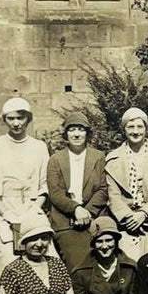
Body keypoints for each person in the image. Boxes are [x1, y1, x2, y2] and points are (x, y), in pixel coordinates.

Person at [0, 97, 50, 270]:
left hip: (31, 208)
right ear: (4, 119)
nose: (16, 123)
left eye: (21, 118)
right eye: (11, 118)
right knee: (6, 255)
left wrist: (34, 209)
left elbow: (44, 184)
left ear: (28, 119)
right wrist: (7, 214)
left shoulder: (39, 147)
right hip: (2, 210)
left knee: (47, 256)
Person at [103, 106, 148, 262]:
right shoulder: (113, 159)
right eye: (130, 127)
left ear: (146, 129)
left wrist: (144, 214)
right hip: (125, 222)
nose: (135, 131)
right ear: (124, 129)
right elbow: (113, 195)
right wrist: (129, 217)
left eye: (140, 126)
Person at [45, 110, 108, 274]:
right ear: (66, 134)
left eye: (81, 129)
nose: (77, 134)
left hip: (94, 216)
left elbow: (103, 189)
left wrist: (87, 212)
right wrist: (75, 209)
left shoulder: (98, 157)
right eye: (72, 130)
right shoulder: (56, 160)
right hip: (65, 220)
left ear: (87, 133)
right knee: (80, 264)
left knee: (105, 254)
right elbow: (55, 194)